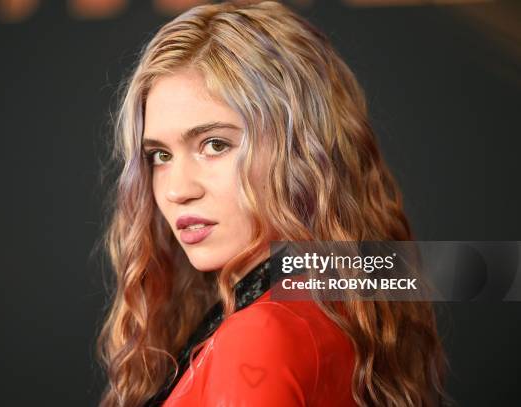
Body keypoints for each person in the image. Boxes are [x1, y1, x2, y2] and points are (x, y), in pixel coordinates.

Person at [96, 1, 447, 406]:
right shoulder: (342, 297)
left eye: (215, 144)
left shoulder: (258, 334)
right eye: (160, 155)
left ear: (299, 151)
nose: (177, 190)